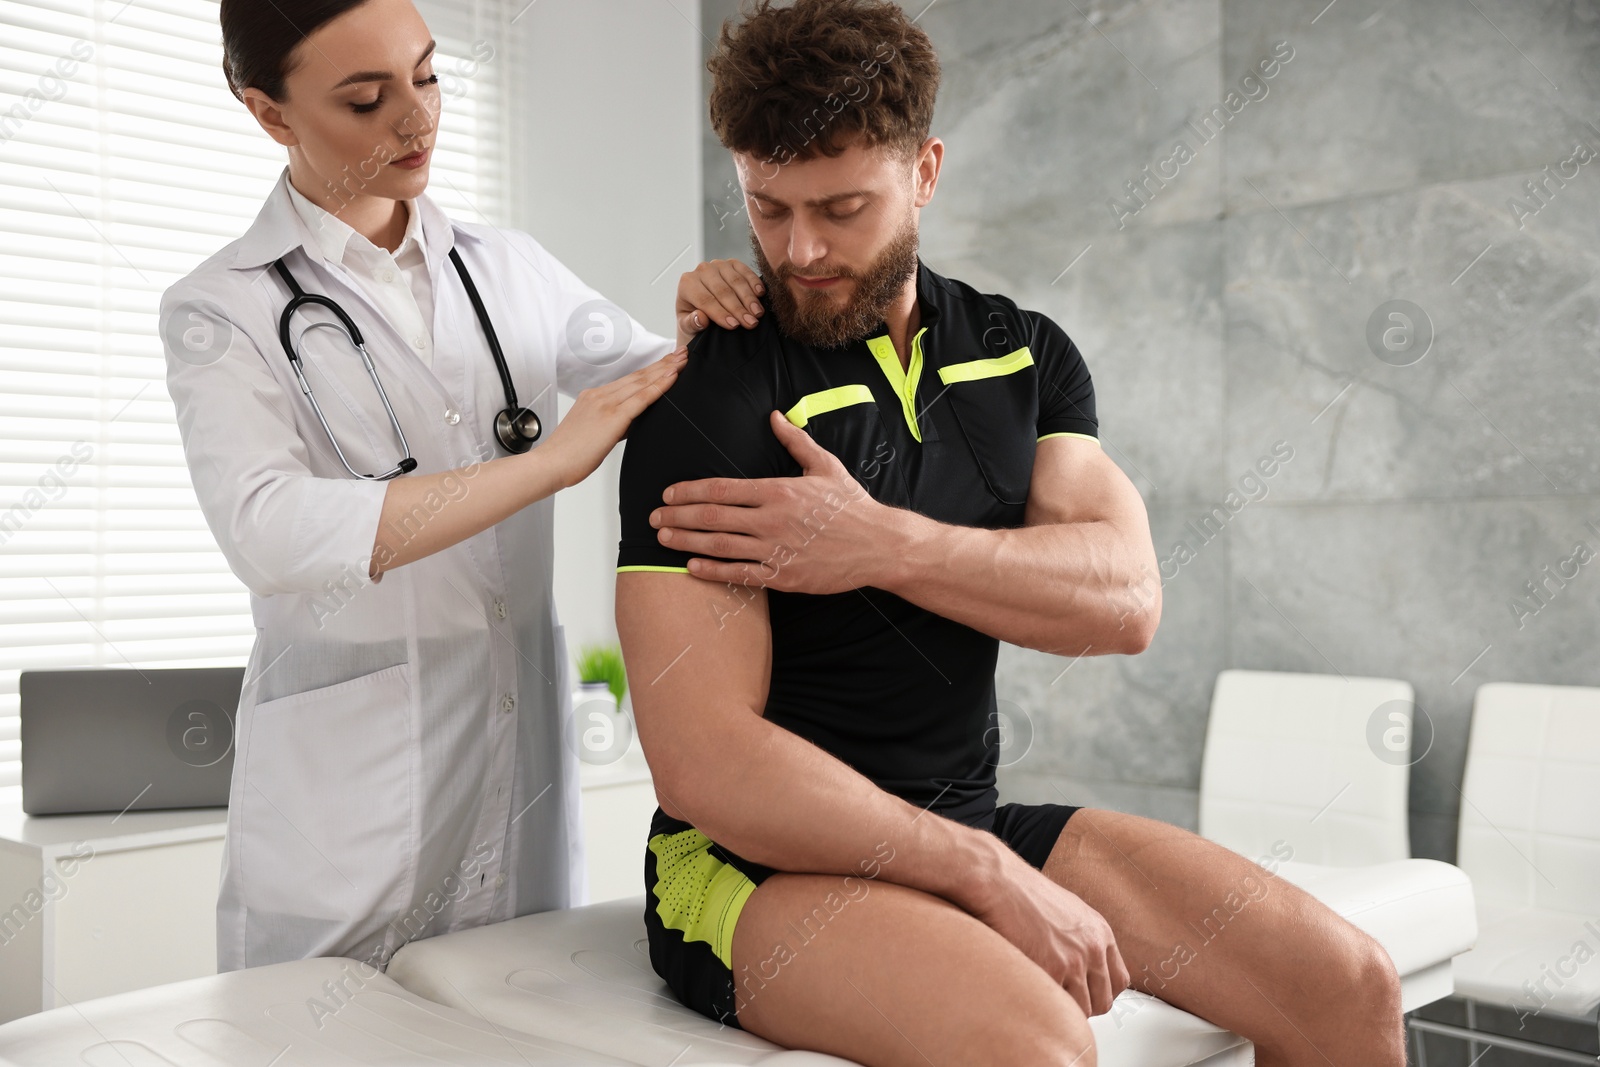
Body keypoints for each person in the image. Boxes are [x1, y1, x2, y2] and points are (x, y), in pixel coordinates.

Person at [614, 2, 1407, 1065]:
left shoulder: (1017, 354)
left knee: (1345, 984)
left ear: (924, 172)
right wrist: (983, 873)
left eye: (841, 208)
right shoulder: (711, 393)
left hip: (963, 812)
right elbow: (705, 764)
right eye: (767, 208)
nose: (800, 250)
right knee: (1035, 1043)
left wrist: (883, 543)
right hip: (750, 864)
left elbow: (1122, 600)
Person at [160, 0, 764, 973]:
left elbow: (664, 391)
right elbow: (266, 530)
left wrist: (714, 325)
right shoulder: (222, 306)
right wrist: (546, 465)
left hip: (513, 783)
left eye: (428, 75)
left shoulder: (507, 270)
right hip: (346, 834)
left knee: (509, 1010)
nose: (416, 117)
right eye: (366, 98)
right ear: (269, 113)